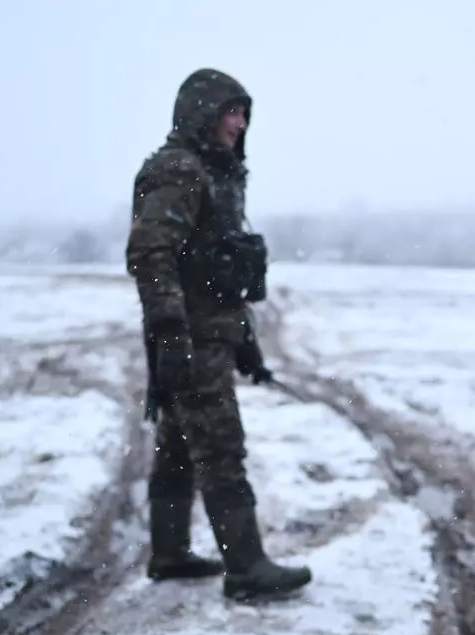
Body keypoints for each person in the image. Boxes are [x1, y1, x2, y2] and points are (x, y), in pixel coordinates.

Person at [125, 68, 312, 602]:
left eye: (244, 113)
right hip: (191, 338)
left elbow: (219, 273)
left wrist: (247, 346)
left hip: (209, 334)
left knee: (180, 445)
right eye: (231, 111)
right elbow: (151, 254)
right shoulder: (179, 170)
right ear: (203, 114)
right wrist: (171, 335)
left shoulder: (215, 173)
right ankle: (247, 567)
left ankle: (170, 553)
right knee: (220, 447)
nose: (240, 123)